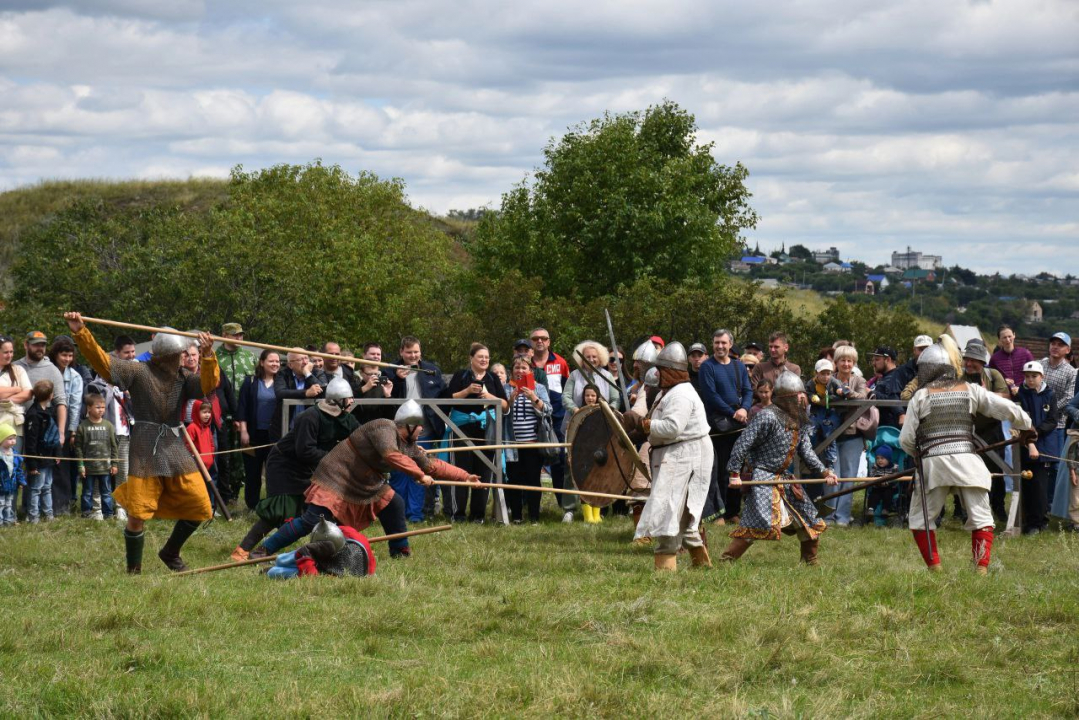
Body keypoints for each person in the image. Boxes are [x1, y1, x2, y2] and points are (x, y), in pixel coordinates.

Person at [66, 312, 220, 573]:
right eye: (181, 354)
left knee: (200, 507)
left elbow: (209, 383)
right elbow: (104, 364)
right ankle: (133, 569)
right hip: (145, 450)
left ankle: (170, 552)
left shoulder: (183, 378)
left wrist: (207, 355)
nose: (184, 358)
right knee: (137, 514)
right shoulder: (138, 371)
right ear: (170, 355)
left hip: (174, 447)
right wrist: (81, 332)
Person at [252, 401, 481, 559]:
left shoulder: (410, 446)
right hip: (336, 475)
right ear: (409, 425)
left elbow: (433, 465)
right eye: (419, 426)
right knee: (313, 519)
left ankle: (399, 551)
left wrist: (466, 477)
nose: (422, 430)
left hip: (366, 482)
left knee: (394, 503)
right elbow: (391, 455)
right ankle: (265, 549)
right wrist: (420, 475)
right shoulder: (383, 427)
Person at [900, 338, 1032, 574]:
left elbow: (906, 440)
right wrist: (1026, 425)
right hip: (968, 462)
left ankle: (935, 570)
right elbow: (1007, 408)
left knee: (921, 519)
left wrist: (921, 456)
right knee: (982, 518)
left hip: (933, 465)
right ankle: (980, 570)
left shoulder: (920, 396)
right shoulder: (971, 390)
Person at [234, 377, 359, 561]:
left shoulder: (346, 419)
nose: (352, 402)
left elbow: (362, 436)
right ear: (338, 400)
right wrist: (336, 459)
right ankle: (243, 550)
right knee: (280, 510)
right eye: (348, 398)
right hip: (284, 464)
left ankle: (331, 549)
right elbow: (305, 451)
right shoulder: (310, 416)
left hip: (308, 467)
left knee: (311, 511)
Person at [721, 371, 838, 566]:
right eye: (799, 396)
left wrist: (824, 472)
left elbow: (806, 451)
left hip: (784, 478)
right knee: (758, 523)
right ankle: (726, 560)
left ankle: (810, 561)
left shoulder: (797, 421)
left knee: (810, 518)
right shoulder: (766, 416)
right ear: (789, 398)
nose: (804, 399)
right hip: (763, 478)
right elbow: (743, 444)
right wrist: (734, 473)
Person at [633, 342, 715, 571]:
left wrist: (645, 425)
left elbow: (671, 428)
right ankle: (701, 566)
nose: (657, 374)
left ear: (670, 371)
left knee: (669, 511)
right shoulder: (667, 393)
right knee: (679, 517)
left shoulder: (682, 395)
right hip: (678, 454)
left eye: (661, 370)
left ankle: (665, 570)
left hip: (687, 455)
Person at [441, 343, 508, 523]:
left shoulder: (493, 378)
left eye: (487, 357)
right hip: (461, 428)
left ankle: (478, 515)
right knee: (460, 471)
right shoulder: (460, 375)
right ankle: (458, 514)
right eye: (481, 357)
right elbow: (447, 399)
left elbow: (505, 405)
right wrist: (467, 391)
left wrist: (489, 397)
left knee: (484, 472)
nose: (485, 360)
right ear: (471, 358)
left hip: (487, 429)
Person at [698, 329, 752, 525]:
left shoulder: (738, 366)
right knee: (719, 471)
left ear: (730, 344)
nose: (719, 346)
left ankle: (733, 511)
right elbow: (711, 396)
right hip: (717, 426)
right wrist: (733, 412)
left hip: (738, 425)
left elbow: (748, 390)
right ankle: (719, 513)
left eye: (723, 343)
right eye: (716, 342)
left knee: (736, 470)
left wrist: (745, 409)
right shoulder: (707, 367)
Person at [389, 336, 446, 520]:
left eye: (416, 352)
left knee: (419, 470)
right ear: (401, 352)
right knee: (399, 472)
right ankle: (398, 513)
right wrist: (397, 379)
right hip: (398, 430)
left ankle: (415, 514)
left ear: (420, 352)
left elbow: (443, 396)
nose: (413, 355)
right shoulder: (391, 370)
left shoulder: (432, 370)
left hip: (425, 430)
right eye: (409, 352)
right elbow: (387, 399)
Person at [961, 341, 1011, 520]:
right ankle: (966, 510)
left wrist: (984, 394)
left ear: (982, 361)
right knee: (966, 472)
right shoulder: (960, 376)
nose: (968, 364)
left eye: (972, 360)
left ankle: (998, 507)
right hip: (966, 430)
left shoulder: (993, 374)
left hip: (992, 429)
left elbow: (1006, 395)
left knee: (997, 471)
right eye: (966, 359)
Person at [530, 328, 573, 522]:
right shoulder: (525, 363)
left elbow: (567, 388)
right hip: (532, 419)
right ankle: (531, 508)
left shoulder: (561, 362)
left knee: (559, 462)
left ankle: (563, 505)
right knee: (532, 463)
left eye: (543, 338)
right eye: (536, 338)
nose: (539, 341)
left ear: (549, 342)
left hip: (556, 418)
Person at [503, 355, 551, 524]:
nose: (520, 371)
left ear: (530, 371)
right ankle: (516, 516)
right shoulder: (506, 388)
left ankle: (534, 517)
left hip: (533, 442)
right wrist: (510, 400)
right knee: (514, 479)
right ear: (512, 371)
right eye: (517, 368)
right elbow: (501, 413)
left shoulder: (539, 388)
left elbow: (548, 410)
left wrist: (534, 398)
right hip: (512, 444)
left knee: (533, 480)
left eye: (524, 368)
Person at [215, 322, 255, 508]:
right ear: (224, 335)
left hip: (244, 417)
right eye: (235, 335)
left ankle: (237, 494)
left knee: (242, 456)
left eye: (241, 335)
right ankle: (222, 495)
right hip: (221, 417)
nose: (239, 338)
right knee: (223, 456)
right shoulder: (215, 357)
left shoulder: (250, 357)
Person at [236, 350, 283, 509]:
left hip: (274, 436)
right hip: (253, 435)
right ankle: (252, 506)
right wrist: (243, 430)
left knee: (273, 473)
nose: (275, 364)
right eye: (271, 361)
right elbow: (242, 407)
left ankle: (271, 505)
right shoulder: (250, 381)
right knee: (253, 473)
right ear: (262, 362)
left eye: (277, 361)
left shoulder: (282, 382)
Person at [1017, 361, 1059, 535]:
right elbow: (1020, 419)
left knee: (1040, 486)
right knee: (1027, 484)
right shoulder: (1021, 394)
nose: (1030, 380)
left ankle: (1040, 521)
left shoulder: (1049, 394)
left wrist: (1036, 433)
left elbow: (1052, 420)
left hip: (1044, 446)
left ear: (1042, 377)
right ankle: (1030, 521)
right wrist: (1029, 440)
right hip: (1026, 445)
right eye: (1027, 376)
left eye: (1034, 376)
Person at [15, 331, 68, 462]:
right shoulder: (15, 367)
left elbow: (61, 402)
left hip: (41, 430)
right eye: (36, 345)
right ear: (26, 345)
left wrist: (60, 433)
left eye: (43, 345)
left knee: (39, 474)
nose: (40, 348)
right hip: (16, 426)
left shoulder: (52, 370)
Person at [831, 345, 869, 514]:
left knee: (848, 476)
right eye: (842, 360)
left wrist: (845, 392)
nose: (846, 364)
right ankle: (829, 515)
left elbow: (862, 397)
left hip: (853, 434)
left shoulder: (859, 381)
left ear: (854, 363)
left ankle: (843, 516)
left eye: (849, 361)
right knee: (832, 476)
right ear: (836, 362)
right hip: (830, 434)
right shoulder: (828, 378)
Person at [1040, 332, 1075, 505]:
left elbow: (1069, 398)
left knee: (1055, 465)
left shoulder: (1070, 372)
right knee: (1037, 462)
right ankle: (1036, 499)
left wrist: (1049, 410)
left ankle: (1051, 502)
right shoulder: (1039, 365)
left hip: (1058, 424)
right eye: (1053, 343)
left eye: (1060, 344)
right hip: (1037, 422)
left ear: (1067, 350)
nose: (1055, 346)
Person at [47, 337, 82, 515]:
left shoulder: (75, 376)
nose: (67, 359)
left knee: (62, 466)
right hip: (45, 417)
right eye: (63, 355)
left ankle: (62, 506)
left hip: (65, 421)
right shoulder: (46, 369)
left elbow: (75, 406)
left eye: (70, 355)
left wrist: (72, 430)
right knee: (44, 463)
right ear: (55, 354)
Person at [22, 380, 61, 523]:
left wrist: (57, 454)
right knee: (36, 488)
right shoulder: (33, 414)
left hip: (49, 458)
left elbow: (55, 434)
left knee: (47, 487)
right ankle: (33, 517)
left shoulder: (50, 412)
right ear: (51, 395)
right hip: (37, 460)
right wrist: (32, 464)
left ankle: (48, 515)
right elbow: (31, 442)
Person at [74, 393, 118, 520]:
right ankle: (86, 513)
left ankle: (108, 513)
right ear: (89, 408)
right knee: (87, 492)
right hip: (88, 469)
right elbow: (78, 448)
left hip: (105, 468)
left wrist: (114, 464)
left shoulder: (109, 426)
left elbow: (114, 446)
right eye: (98, 407)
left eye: (103, 407)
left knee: (106, 492)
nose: (101, 410)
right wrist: (81, 466)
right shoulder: (83, 427)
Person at [806, 359, 842, 506]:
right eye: (823, 373)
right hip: (816, 413)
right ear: (817, 373)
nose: (826, 376)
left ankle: (830, 464)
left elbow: (841, 393)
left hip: (829, 413)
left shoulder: (833, 382)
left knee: (829, 437)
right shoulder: (811, 383)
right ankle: (809, 456)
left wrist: (828, 397)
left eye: (828, 373)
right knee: (810, 433)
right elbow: (807, 392)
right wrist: (811, 397)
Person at [274, 350, 323, 438]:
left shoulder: (317, 372)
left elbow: (322, 391)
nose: (305, 362)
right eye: (300, 359)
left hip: (312, 430)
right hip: (287, 429)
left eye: (306, 358)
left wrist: (308, 374)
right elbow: (280, 393)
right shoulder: (283, 373)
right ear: (290, 365)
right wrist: (306, 393)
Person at [0, 335, 33, 452]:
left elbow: (28, 393)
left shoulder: (18, 370)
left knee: (13, 463)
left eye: (11, 352)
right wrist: (16, 389)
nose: (10, 355)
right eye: (5, 352)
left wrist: (5, 399)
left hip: (14, 425)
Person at [186, 398, 218, 505]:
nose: (207, 415)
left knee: (208, 487)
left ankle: (209, 505)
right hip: (196, 466)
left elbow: (211, 445)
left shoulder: (207, 428)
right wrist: (196, 458)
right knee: (196, 488)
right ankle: (195, 507)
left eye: (209, 412)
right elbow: (187, 445)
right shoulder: (192, 428)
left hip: (208, 465)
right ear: (196, 412)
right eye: (204, 412)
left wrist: (211, 457)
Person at [988, 324, 1034, 397]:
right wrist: (1002, 381)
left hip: (1025, 395)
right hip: (1004, 397)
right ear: (999, 339)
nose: (1008, 340)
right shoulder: (994, 358)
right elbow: (990, 379)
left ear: (1014, 335)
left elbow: (1034, 375)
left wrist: (1021, 388)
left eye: (1009, 336)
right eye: (1004, 337)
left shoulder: (1025, 353)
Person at [868, 346, 903, 428]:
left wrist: (870, 392)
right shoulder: (886, 376)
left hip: (892, 430)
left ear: (888, 360)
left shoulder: (896, 377)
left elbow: (892, 399)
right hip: (884, 428)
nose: (874, 363)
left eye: (877, 360)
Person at [866, 444, 900, 527]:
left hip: (889, 487)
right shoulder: (875, 467)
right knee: (873, 495)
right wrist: (879, 480)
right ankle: (871, 509)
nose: (879, 461)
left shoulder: (894, 467)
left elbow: (896, 478)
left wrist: (888, 480)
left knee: (888, 494)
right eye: (877, 458)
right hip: (877, 487)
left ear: (888, 459)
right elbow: (872, 475)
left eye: (882, 458)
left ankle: (885, 509)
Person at [0, 422, 25, 526]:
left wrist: (21, 481)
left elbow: (18, 469)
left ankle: (8, 520)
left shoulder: (14, 453)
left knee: (8, 503)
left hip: (11, 485)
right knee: (1, 503)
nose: (13, 441)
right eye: (9, 439)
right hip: (1, 485)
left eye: (14, 438)